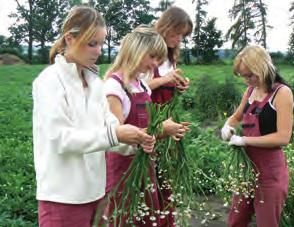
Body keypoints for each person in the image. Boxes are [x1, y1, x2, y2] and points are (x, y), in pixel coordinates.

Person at [32, 6, 155, 227]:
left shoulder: (95, 84)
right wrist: (115, 134)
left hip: (95, 194)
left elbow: (109, 127)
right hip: (63, 198)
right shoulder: (50, 81)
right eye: (92, 43)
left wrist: (135, 140)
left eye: (101, 43)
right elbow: (62, 138)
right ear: (69, 39)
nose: (98, 50)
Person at [103, 25, 188, 227]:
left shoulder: (141, 85)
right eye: (152, 57)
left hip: (145, 163)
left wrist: (165, 127)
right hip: (123, 167)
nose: (154, 64)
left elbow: (148, 128)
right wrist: (161, 130)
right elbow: (118, 137)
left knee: (148, 217)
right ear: (135, 51)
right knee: (123, 218)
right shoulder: (113, 87)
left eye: (158, 59)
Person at [220, 44, 294, 227]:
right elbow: (236, 117)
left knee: (266, 222)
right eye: (243, 76)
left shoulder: (281, 93)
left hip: (270, 172)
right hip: (246, 168)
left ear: (262, 68)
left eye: (249, 75)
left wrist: (245, 140)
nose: (246, 80)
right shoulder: (251, 91)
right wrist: (227, 126)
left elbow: (283, 137)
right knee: (236, 219)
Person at [145, 7, 193, 226]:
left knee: (167, 179)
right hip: (150, 121)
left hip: (168, 120)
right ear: (166, 27)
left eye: (182, 36)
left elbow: (166, 85)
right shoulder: (148, 49)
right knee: (149, 180)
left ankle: (167, 221)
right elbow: (138, 86)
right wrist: (165, 80)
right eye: (177, 33)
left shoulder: (170, 57)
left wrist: (178, 86)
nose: (178, 39)